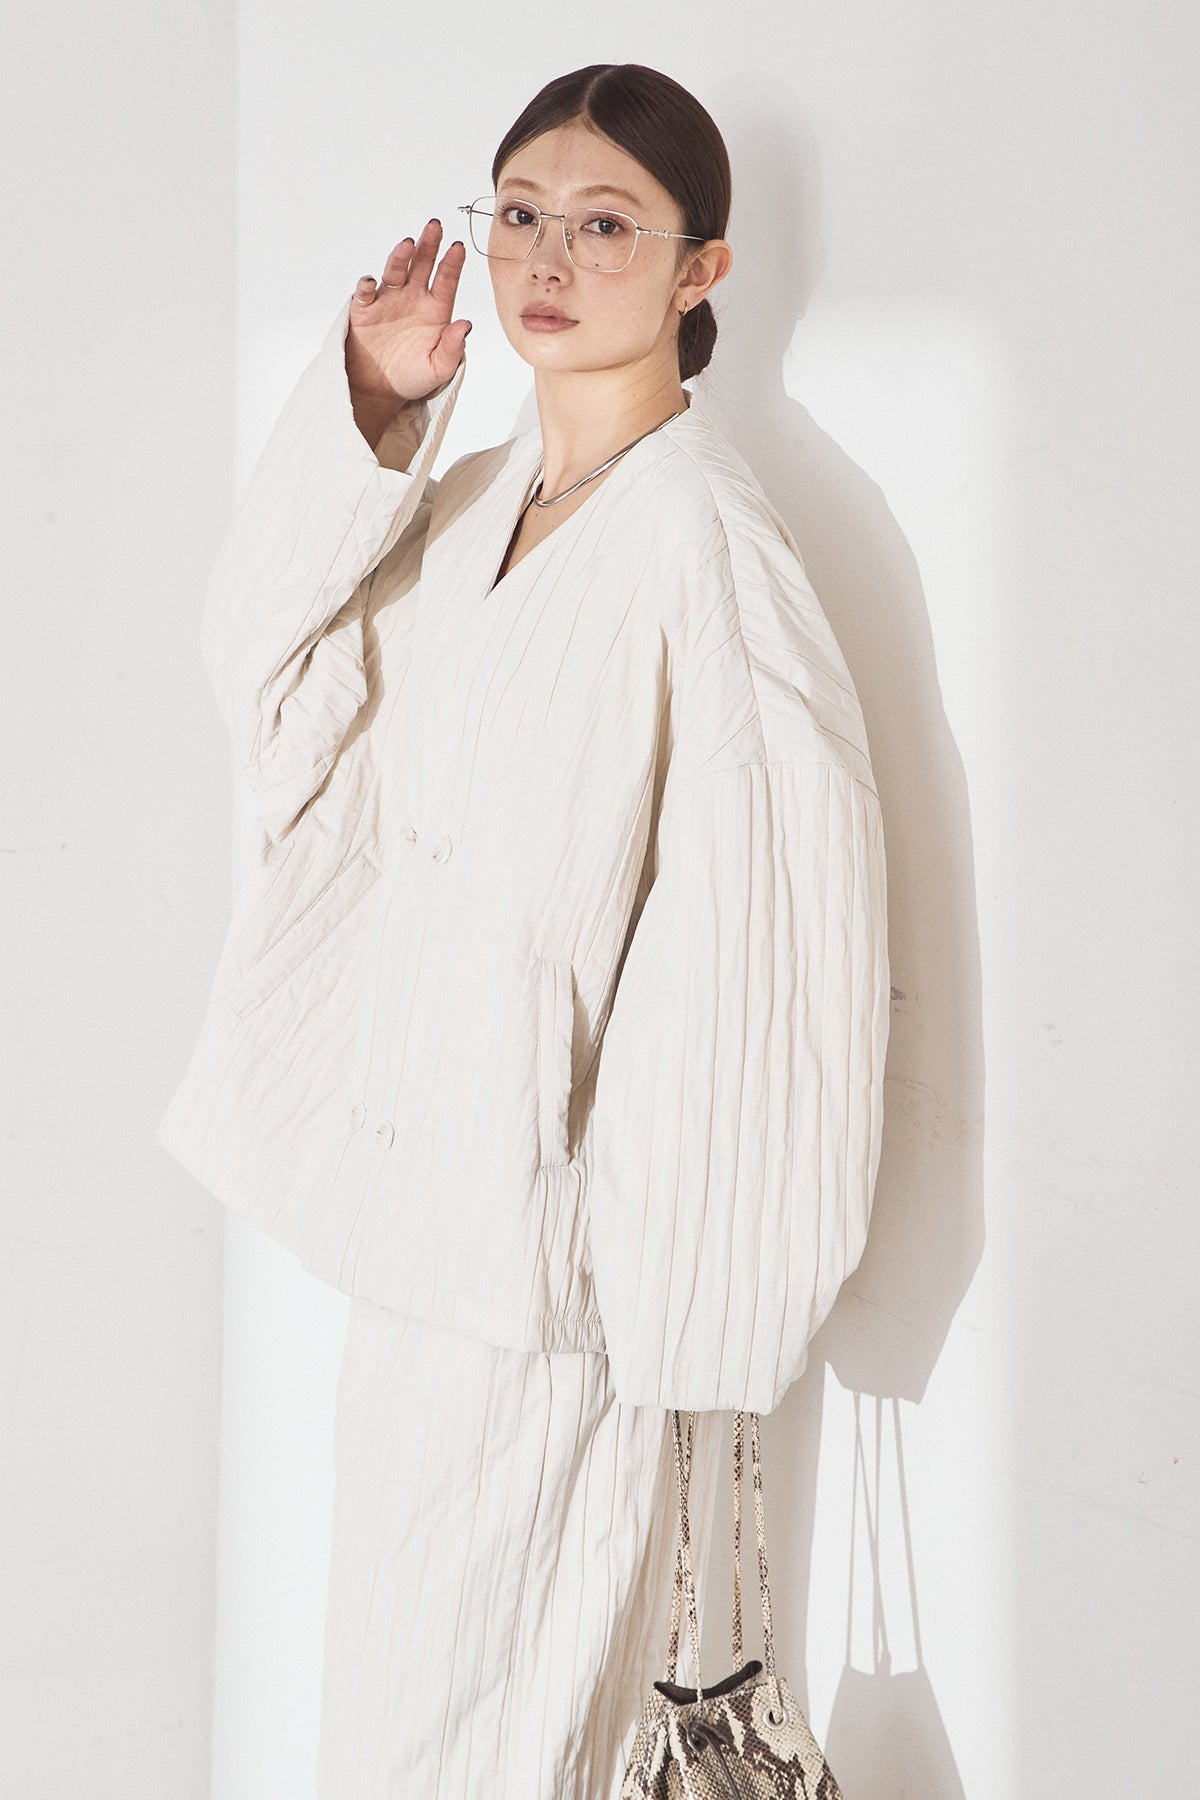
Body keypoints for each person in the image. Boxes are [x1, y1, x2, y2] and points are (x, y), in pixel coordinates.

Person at [157, 61, 890, 1800]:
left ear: (701, 269)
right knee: (396, 1740)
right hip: (413, 1240)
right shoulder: (478, 500)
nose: (548, 257)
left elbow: (770, 958)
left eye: (606, 223)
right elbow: (276, 687)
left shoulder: (707, 549)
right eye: (520, 214)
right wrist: (371, 405)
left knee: (467, 1754)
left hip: (557, 1287)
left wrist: (680, 1323)